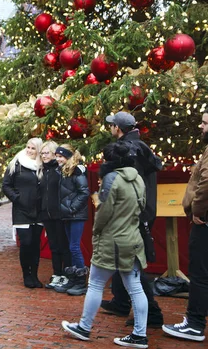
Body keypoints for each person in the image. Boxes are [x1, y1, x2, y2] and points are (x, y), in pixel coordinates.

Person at [62, 141, 149, 349]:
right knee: (136, 288)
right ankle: (140, 334)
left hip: (111, 240)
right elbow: (143, 205)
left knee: (96, 284)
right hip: (133, 239)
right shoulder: (138, 178)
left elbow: (103, 212)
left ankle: (84, 327)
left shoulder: (112, 178)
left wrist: (96, 231)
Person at [101, 112, 164, 328]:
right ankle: (120, 301)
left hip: (135, 214)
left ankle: (153, 314)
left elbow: (130, 184)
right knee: (124, 260)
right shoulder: (138, 146)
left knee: (132, 265)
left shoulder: (131, 149)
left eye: (112, 126)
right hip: (141, 211)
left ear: (118, 128)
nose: (110, 128)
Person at [162, 111, 208, 342]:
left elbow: (207, 182)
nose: (201, 126)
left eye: (205, 123)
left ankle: (194, 324)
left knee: (199, 274)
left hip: (204, 222)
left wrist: (198, 211)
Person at [2, 138, 43, 288]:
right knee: (26, 243)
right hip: (21, 210)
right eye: (28, 147)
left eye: (33, 148)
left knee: (35, 244)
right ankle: (26, 275)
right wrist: (16, 198)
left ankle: (35, 275)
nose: (29, 150)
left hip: (38, 211)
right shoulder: (16, 164)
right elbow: (6, 185)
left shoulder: (42, 166)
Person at [53, 144, 90, 296]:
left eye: (60, 156)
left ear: (68, 157)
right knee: (70, 246)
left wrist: (72, 208)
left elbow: (84, 192)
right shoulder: (63, 172)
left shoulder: (77, 171)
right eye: (57, 156)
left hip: (75, 214)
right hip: (68, 214)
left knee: (74, 246)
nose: (58, 159)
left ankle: (81, 281)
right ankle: (74, 278)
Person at [39, 140, 71, 289]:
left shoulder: (59, 171)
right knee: (53, 246)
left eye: (47, 153)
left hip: (59, 214)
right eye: (42, 153)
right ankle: (56, 273)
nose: (44, 156)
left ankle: (66, 275)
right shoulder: (43, 171)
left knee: (63, 245)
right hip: (46, 214)